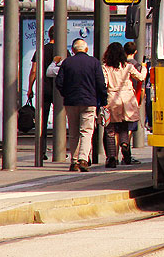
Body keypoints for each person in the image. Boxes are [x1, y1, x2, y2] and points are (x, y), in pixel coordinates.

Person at [56, 39, 107, 172]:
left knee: (73, 133)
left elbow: (59, 82)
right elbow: (101, 84)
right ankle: (83, 159)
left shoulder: (67, 62)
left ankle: (74, 161)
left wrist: (66, 94)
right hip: (89, 101)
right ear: (86, 49)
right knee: (86, 131)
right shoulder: (94, 62)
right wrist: (103, 100)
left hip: (71, 102)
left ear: (73, 50)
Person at [102, 42, 147, 168]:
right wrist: (143, 67)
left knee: (110, 129)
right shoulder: (128, 66)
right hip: (127, 98)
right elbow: (141, 78)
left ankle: (111, 157)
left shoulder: (105, 67)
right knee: (124, 126)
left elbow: (104, 84)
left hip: (112, 98)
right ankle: (125, 145)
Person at [27, 26, 57, 162]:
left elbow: (34, 70)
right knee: (60, 120)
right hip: (58, 90)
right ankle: (59, 150)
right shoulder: (63, 51)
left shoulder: (41, 50)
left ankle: (42, 150)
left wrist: (30, 88)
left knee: (42, 121)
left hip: (43, 89)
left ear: (49, 35)